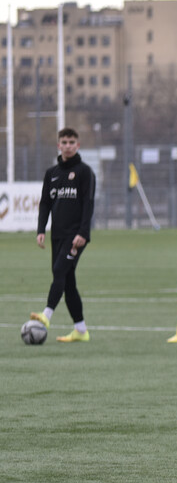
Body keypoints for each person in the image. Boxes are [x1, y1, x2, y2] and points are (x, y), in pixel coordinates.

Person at [31, 127, 96, 343]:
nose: (67, 146)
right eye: (64, 142)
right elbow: (45, 204)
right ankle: (80, 330)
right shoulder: (52, 174)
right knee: (67, 282)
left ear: (78, 145)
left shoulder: (85, 172)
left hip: (76, 235)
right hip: (57, 235)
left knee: (59, 270)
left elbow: (88, 204)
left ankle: (46, 315)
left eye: (71, 142)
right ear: (58, 145)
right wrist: (41, 229)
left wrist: (83, 233)